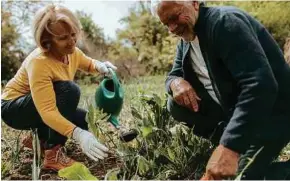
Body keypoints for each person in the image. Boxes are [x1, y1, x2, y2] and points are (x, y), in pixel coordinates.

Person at [151, 0, 290, 179]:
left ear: (194, 3)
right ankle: (228, 141)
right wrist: (175, 82)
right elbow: (173, 74)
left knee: (238, 177)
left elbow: (261, 86)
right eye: (166, 24)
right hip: (240, 114)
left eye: (174, 17)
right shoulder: (186, 40)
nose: (171, 28)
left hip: (275, 115)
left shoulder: (225, 23)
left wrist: (230, 146)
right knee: (174, 104)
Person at [1, 4, 117, 171]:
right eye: (63, 38)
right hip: (13, 109)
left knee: (82, 119)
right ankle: (53, 154)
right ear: (46, 41)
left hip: (35, 105)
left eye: (73, 34)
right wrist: (78, 134)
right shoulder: (39, 62)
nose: (71, 42)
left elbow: (88, 63)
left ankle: (38, 142)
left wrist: (100, 66)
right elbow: (47, 112)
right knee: (69, 90)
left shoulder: (72, 52)